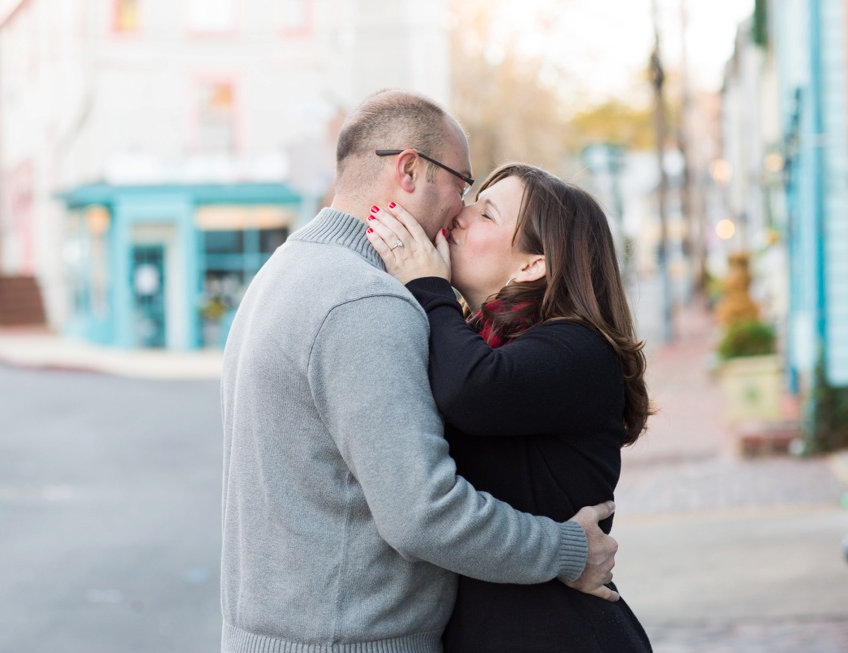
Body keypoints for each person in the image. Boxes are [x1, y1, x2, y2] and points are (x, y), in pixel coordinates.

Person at [220, 90, 620, 653]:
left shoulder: (282, 271)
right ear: (409, 171)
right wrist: (565, 550)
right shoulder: (367, 301)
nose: (460, 208)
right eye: (463, 184)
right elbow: (423, 513)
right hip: (354, 640)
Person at [364, 162, 653, 652]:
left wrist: (427, 285)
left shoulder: (579, 350)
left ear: (532, 265)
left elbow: (473, 392)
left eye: (487, 214)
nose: (460, 213)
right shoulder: (471, 340)